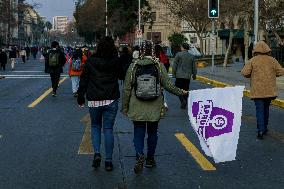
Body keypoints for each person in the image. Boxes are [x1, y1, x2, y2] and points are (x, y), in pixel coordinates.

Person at [121, 41, 188, 174]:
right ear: (153, 51)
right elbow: (168, 86)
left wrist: (125, 106)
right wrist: (182, 92)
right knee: (152, 133)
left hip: (137, 105)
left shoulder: (133, 66)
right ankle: (150, 159)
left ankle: (139, 154)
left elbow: (127, 88)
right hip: (154, 105)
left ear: (140, 51)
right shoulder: (159, 65)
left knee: (138, 132)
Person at [77, 37, 123, 171]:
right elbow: (121, 75)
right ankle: (109, 161)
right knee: (108, 129)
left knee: (95, 126)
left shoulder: (91, 61)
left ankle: (97, 153)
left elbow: (84, 80)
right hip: (110, 99)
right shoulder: (115, 61)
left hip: (94, 100)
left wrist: (80, 96)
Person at [241, 41, 284, 139]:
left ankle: (260, 130)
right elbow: (280, 72)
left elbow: (244, 73)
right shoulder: (272, 60)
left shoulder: (253, 60)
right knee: (266, 109)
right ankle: (265, 127)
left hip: (257, 91)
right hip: (269, 91)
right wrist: (274, 74)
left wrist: (251, 74)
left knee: (259, 110)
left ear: (256, 50)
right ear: (267, 50)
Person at [172, 43, 197, 109]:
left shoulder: (178, 54)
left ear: (182, 47)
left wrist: (173, 74)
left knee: (178, 89)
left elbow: (174, 65)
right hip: (187, 76)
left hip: (179, 75)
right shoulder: (192, 56)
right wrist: (194, 75)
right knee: (186, 89)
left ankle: (182, 100)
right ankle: (185, 100)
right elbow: (194, 67)